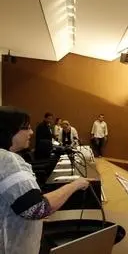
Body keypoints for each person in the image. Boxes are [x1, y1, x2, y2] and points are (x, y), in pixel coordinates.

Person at [0, 107, 89, 254]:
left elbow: (12, 202)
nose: (31, 132)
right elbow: (37, 208)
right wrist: (75, 185)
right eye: (26, 128)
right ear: (9, 131)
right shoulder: (9, 161)